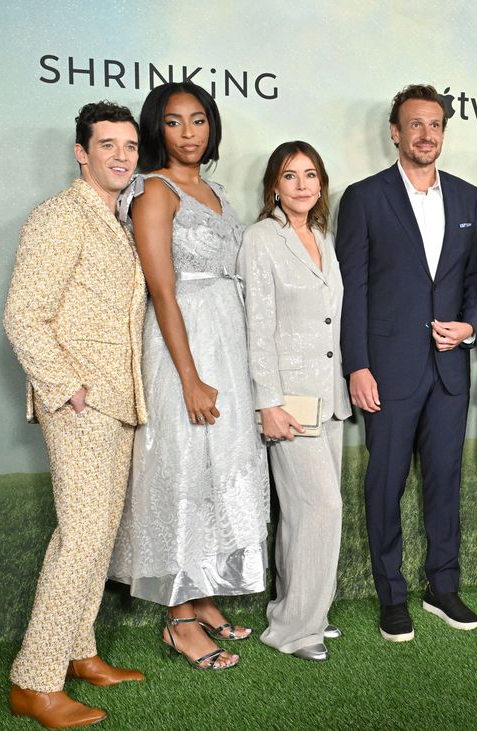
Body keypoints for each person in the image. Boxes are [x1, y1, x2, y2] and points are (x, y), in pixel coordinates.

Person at [109, 82, 269, 667]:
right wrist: (190, 377)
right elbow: (162, 290)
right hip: (185, 347)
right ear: (158, 130)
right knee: (182, 468)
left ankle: (201, 597)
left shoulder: (217, 191)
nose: (189, 132)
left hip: (227, 340)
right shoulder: (154, 190)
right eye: (174, 122)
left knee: (216, 467)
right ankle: (178, 620)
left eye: (198, 120)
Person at [5, 100, 146, 728]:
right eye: (107, 144)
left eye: (129, 145)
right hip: (80, 402)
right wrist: (68, 389)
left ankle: (79, 651)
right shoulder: (59, 217)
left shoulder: (113, 220)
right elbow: (22, 316)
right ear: (81, 153)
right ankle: (34, 680)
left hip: (118, 401)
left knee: (99, 537)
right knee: (80, 539)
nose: (120, 155)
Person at [336, 84, 477, 641]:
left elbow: (473, 281)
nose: (427, 134)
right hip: (388, 369)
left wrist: (471, 325)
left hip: (449, 371)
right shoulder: (365, 197)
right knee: (386, 483)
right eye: (415, 125)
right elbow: (353, 287)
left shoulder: (469, 198)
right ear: (395, 132)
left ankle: (442, 588)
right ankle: (390, 594)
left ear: (445, 132)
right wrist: (358, 365)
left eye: (436, 125)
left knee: (445, 479)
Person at [236, 141, 350, 662]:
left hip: (329, 398)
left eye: (310, 175)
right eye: (290, 176)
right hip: (288, 399)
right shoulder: (261, 239)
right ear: (274, 187)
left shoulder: (323, 239)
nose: (302, 185)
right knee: (320, 507)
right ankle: (293, 632)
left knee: (305, 514)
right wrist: (268, 402)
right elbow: (257, 326)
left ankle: (301, 612)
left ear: (320, 183)